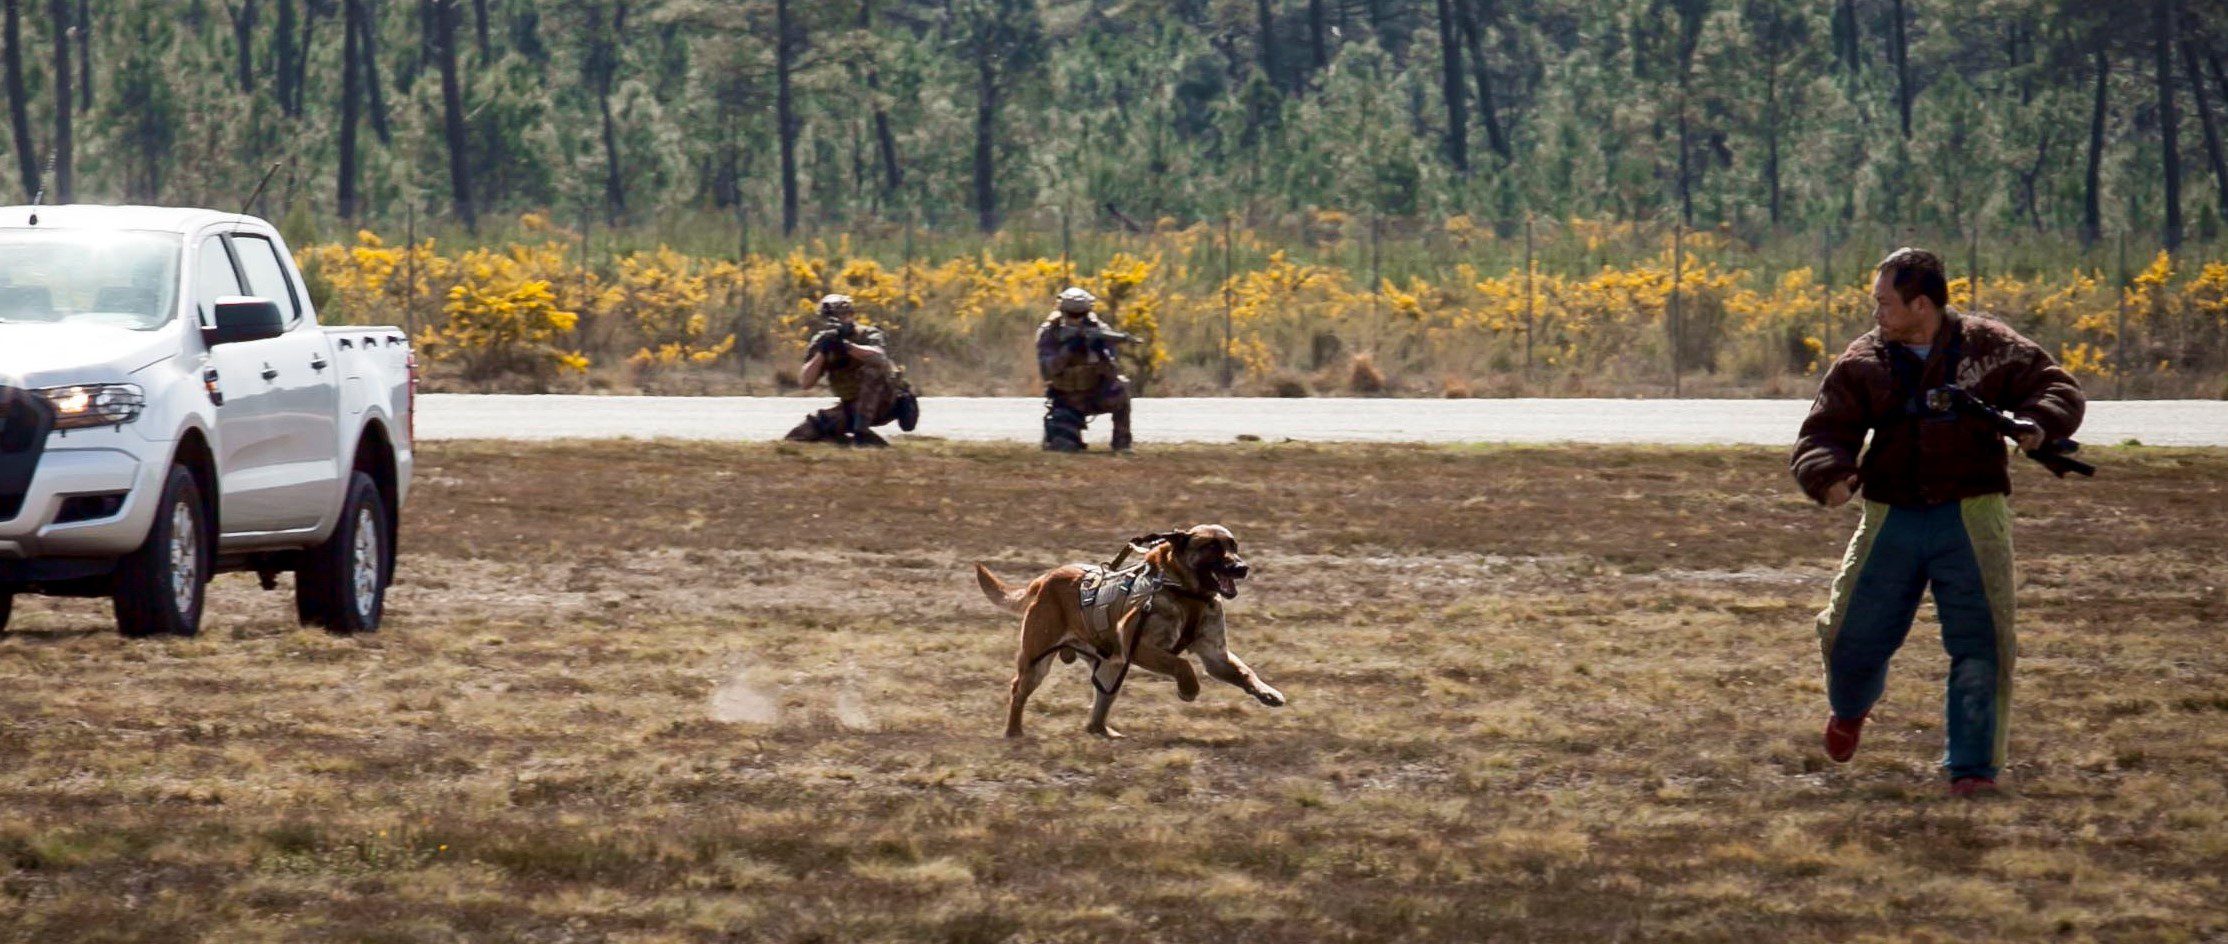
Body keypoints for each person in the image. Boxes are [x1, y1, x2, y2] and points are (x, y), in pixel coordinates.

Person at [1792, 247, 2085, 797]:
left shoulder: (1991, 347)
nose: (1875, 313)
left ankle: (1972, 769)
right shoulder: (1864, 360)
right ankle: (1850, 708)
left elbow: (2056, 386)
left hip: (1973, 516)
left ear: (1920, 304)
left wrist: (2038, 422)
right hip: (1890, 518)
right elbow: (1823, 431)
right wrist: (1827, 474)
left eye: (1884, 302)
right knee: (1847, 635)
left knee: (1982, 644)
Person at [786, 294, 918, 446]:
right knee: (804, 432)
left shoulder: (867, 334)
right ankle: (862, 441)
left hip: (886, 404)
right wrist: (823, 352)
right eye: (829, 318)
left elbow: (879, 357)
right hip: (852, 407)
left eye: (841, 315)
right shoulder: (823, 340)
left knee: (872, 371)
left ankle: (861, 434)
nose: (836, 321)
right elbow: (805, 382)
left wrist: (847, 346)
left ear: (851, 315)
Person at [1035, 287, 1133, 452]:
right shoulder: (1049, 333)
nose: (1077, 319)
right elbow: (1048, 371)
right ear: (1062, 311)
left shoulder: (1099, 330)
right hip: (1066, 400)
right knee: (1064, 449)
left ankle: (1122, 443)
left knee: (1122, 387)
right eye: (1072, 314)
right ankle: (1056, 434)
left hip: (1094, 395)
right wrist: (1069, 351)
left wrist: (1099, 353)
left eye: (1081, 315)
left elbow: (1112, 372)